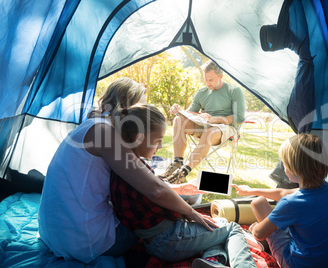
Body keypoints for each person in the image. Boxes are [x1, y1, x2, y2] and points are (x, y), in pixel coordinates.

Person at [38, 77, 213, 263]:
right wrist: (190, 212)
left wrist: (177, 193)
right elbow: (155, 190)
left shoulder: (93, 124)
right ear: (126, 107)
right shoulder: (104, 133)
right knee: (157, 215)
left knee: (180, 198)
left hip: (54, 231)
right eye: (139, 110)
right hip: (80, 239)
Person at [110, 103, 256, 268]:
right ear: (139, 138)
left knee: (214, 228)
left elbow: (156, 189)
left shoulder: (125, 163)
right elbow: (160, 196)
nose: (161, 146)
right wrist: (192, 213)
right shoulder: (135, 169)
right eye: (158, 141)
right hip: (168, 239)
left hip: (158, 239)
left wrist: (180, 189)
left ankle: (212, 262)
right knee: (231, 228)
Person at [232, 133, 328, 268]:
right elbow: (283, 192)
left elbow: (259, 234)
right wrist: (251, 191)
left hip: (297, 264)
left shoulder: (290, 203)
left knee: (258, 203)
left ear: (293, 169)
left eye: (284, 164)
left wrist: (255, 228)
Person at [158, 60, 245, 184]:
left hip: (226, 128)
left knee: (210, 131)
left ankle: (183, 173)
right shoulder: (202, 93)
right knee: (179, 120)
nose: (208, 83)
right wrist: (178, 111)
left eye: (211, 80)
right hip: (204, 126)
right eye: (206, 79)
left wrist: (215, 119)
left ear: (221, 76)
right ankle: (177, 163)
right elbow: (189, 114)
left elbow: (239, 117)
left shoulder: (234, 91)